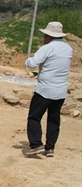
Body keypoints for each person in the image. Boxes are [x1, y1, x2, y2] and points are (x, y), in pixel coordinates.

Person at [24, 21, 72, 157]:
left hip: (45, 89)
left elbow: (32, 63)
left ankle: (36, 144)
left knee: (34, 117)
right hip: (61, 90)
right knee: (53, 119)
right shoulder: (68, 49)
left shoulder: (47, 48)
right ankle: (50, 147)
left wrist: (28, 59)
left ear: (49, 36)